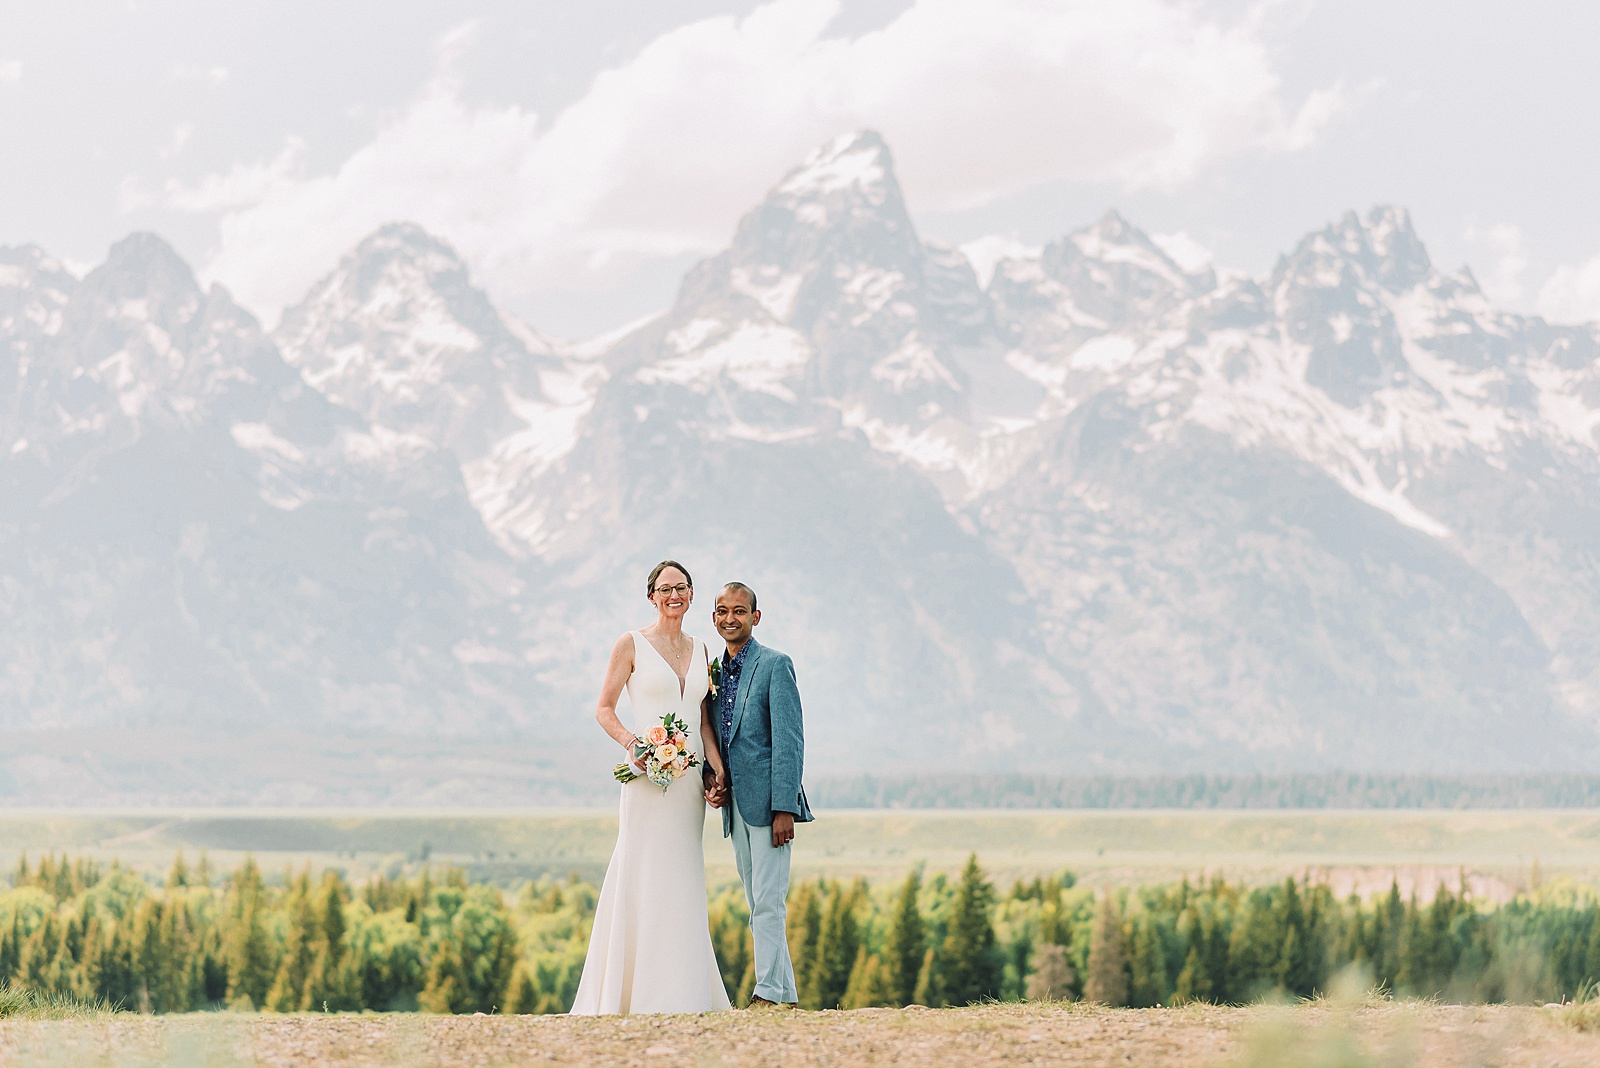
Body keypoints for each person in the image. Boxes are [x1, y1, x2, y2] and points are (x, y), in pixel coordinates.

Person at [569, 561, 732, 1014]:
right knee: (641, 871)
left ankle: (683, 990)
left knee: (681, 875)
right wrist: (633, 744)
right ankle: (631, 991)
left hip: (686, 788)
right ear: (651, 596)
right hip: (645, 780)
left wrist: (717, 771)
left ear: (692, 593)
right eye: (664, 589)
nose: (673, 595)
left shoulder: (703, 651)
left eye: (681, 587)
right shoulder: (631, 644)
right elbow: (604, 708)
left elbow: (702, 720)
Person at [704, 581, 814, 1007]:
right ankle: (784, 995)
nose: (729, 618)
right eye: (721, 611)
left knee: (768, 902)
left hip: (770, 807)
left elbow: (789, 740)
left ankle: (766, 993)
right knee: (758, 903)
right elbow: (715, 734)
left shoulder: (775, 665)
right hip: (735, 806)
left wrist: (784, 807)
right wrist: (712, 783)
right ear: (714, 617)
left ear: (755, 617)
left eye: (739, 611)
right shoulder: (713, 672)